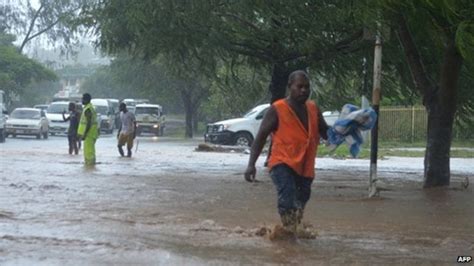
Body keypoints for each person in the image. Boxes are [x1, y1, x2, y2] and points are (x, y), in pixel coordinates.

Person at [244, 70, 329, 238]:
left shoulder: (313, 108)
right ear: (290, 87)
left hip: (305, 167)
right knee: (288, 197)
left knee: (301, 200)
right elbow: (260, 138)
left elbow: (326, 133)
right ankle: (288, 237)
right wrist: (251, 164)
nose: (304, 90)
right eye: (300, 87)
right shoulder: (277, 109)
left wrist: (348, 127)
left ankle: (294, 230)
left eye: (307, 87)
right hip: (281, 163)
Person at [77, 93, 99, 166]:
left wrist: (85, 134)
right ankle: (89, 166)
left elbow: (88, 123)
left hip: (89, 134)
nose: (81, 100)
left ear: (86, 100)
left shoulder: (88, 109)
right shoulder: (89, 108)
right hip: (91, 133)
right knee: (88, 151)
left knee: (89, 152)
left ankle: (90, 166)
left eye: (82, 99)